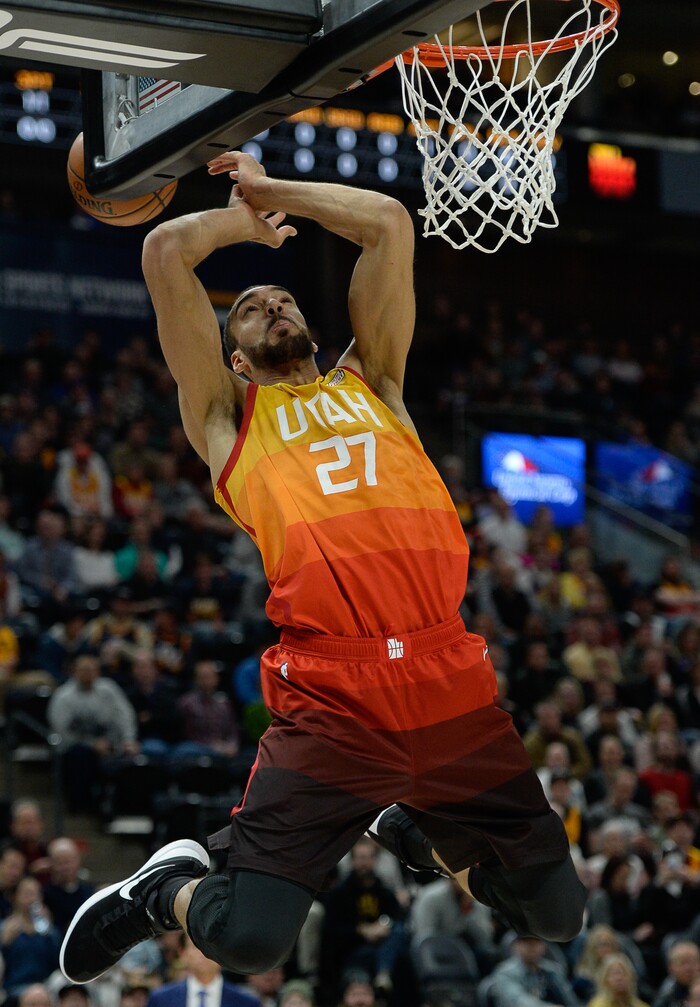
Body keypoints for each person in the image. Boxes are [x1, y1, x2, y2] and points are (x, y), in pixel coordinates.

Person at [60, 153, 584, 988]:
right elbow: (164, 253)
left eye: (283, 297)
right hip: (336, 698)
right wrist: (240, 225)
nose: (270, 302)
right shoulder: (230, 424)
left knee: (558, 916)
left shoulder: (376, 383)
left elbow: (386, 224)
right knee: (251, 939)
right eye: (251, 309)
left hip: (450, 681)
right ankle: (161, 891)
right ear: (232, 359)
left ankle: (414, 830)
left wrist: (271, 192)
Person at [147, 935, 258, 1007]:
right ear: (183, 953)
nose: (204, 954)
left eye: (211, 947)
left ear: (224, 954)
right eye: (196, 946)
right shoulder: (160, 999)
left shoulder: (247, 1003)